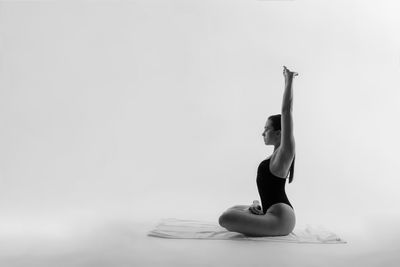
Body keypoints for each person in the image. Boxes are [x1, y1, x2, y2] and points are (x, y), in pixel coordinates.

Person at [218, 66, 298, 237]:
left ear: (279, 133)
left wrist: (288, 80)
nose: (263, 133)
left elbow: (286, 111)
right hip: (271, 212)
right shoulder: (274, 156)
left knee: (226, 218)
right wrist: (256, 204)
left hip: (281, 218)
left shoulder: (285, 153)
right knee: (232, 209)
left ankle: (261, 215)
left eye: (266, 129)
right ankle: (258, 210)